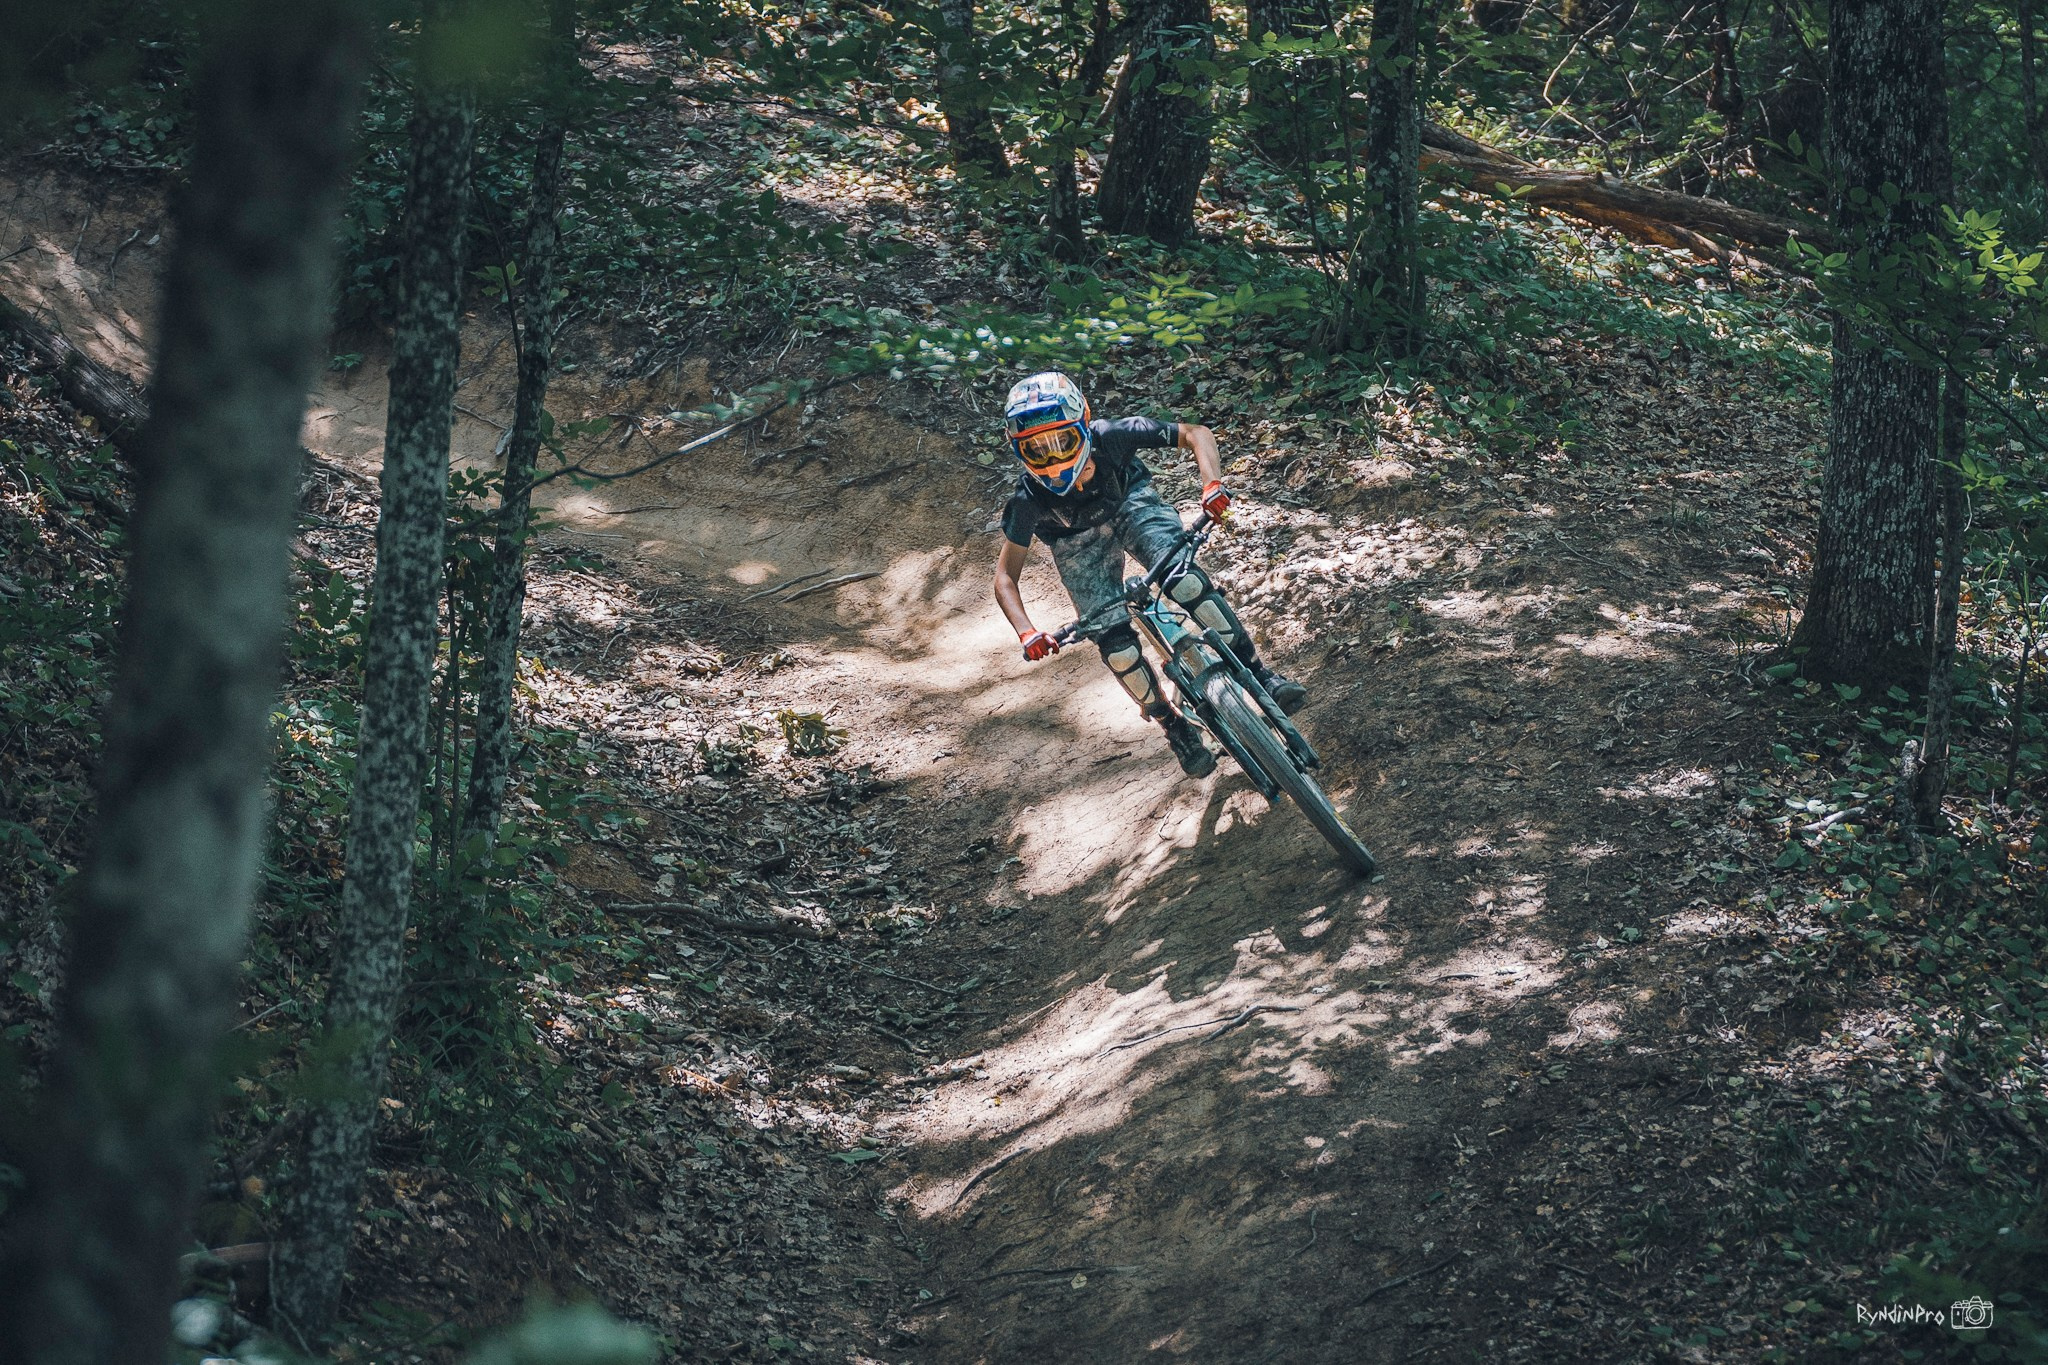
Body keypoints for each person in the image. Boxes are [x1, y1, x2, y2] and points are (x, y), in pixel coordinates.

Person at [990, 370, 1306, 777]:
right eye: (1037, 451)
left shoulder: (1114, 435)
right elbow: (1004, 578)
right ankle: (1174, 726)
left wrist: (1212, 485)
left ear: (1084, 422)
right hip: (1076, 543)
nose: (1053, 460)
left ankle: (1260, 676)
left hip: (1132, 504)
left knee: (1185, 580)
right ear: (1019, 451)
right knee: (1117, 646)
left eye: (1061, 442)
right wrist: (1027, 632)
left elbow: (1196, 433)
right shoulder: (1028, 499)